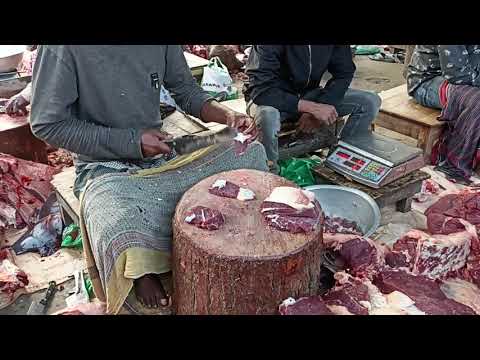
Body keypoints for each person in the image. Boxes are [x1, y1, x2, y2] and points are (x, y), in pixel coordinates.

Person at [30, 45, 268, 314]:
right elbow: (46, 124)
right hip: (105, 165)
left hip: (160, 152)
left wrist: (227, 115)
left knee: (249, 152)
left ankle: (162, 245)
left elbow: (186, 91)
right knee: (111, 214)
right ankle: (142, 269)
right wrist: (131, 141)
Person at [243, 45, 382, 173]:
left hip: (308, 94)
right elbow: (261, 90)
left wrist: (323, 104)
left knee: (369, 102)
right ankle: (269, 173)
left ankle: (340, 163)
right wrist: (312, 108)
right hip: (269, 99)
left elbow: (344, 72)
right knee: (268, 115)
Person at [407, 45, 480, 182]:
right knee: (477, 101)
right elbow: (457, 75)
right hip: (428, 81)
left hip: (466, 79)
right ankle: (453, 166)